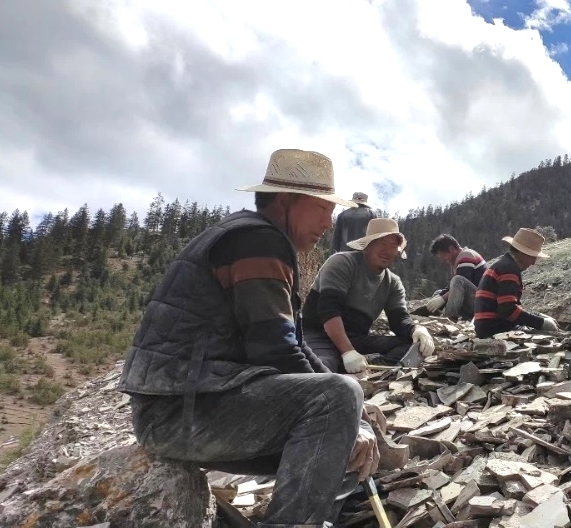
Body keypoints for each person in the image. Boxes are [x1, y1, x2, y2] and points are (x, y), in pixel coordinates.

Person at [118, 149, 379, 528]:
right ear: (286, 200)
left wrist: (358, 416)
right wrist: (347, 410)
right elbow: (274, 347)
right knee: (340, 400)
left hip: (193, 405)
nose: (329, 221)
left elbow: (292, 341)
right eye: (322, 207)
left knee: (348, 414)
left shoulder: (259, 239)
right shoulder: (257, 240)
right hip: (178, 414)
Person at [303, 218, 435, 374]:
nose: (387, 251)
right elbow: (329, 311)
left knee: (412, 346)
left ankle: (370, 367)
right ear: (367, 246)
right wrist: (347, 351)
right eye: (381, 244)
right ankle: (343, 364)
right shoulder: (342, 263)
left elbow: (398, 320)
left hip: (356, 338)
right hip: (319, 335)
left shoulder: (393, 283)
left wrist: (416, 329)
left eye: (393, 246)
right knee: (322, 370)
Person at [473, 228, 559, 338]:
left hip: (486, 326)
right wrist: (540, 322)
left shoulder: (503, 265)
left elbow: (509, 307)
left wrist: (538, 316)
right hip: (494, 328)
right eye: (533, 257)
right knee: (548, 336)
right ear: (523, 253)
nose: (533, 262)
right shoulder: (508, 269)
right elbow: (507, 310)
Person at [422, 234, 488, 321]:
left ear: (451, 249)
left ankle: (449, 318)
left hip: (483, 304)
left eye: (443, 256)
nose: (443, 260)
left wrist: (442, 299)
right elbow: (451, 287)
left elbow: (460, 285)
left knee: (457, 280)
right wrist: (439, 297)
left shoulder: (466, 256)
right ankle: (436, 312)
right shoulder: (457, 261)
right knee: (438, 293)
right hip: (476, 301)